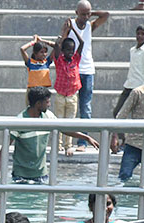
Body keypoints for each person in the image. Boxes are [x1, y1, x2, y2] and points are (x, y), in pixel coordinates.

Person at [0, 86, 98, 185]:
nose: (49, 105)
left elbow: (64, 129)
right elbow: (5, 147)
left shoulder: (48, 116)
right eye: (47, 102)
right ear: (38, 104)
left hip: (41, 175)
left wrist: (86, 137)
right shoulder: (20, 121)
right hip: (21, 176)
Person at [59, 1, 108, 140]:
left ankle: (83, 141)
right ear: (76, 13)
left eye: (88, 14)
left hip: (87, 70)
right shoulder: (70, 25)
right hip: (72, 70)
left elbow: (106, 15)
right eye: (83, 14)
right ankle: (65, 141)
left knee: (85, 105)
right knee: (70, 106)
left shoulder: (90, 25)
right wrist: (65, 30)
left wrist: (92, 13)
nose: (86, 17)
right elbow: (61, 44)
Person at [114, 24, 144, 117]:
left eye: (143, 34)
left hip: (140, 87)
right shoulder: (132, 50)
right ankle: (120, 132)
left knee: (138, 114)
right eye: (138, 34)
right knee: (118, 112)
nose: (140, 36)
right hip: (129, 85)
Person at [51, 36, 83, 156]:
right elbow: (56, 46)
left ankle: (68, 145)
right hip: (60, 95)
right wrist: (63, 35)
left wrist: (74, 30)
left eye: (72, 50)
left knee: (70, 122)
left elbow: (82, 42)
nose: (70, 52)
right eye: (68, 50)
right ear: (63, 51)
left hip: (72, 96)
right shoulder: (59, 60)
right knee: (59, 120)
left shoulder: (76, 59)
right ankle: (57, 144)